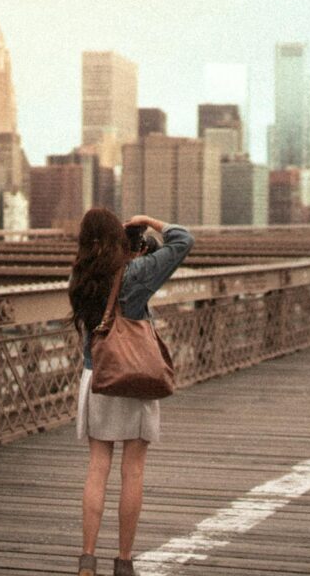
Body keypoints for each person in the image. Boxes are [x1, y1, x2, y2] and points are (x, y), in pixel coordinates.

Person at [68, 208, 194, 576]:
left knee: (97, 468)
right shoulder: (135, 274)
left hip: (97, 378)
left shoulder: (79, 274)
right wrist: (149, 222)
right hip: (134, 378)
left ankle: (87, 558)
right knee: (133, 471)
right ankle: (124, 562)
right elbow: (183, 241)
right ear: (117, 239)